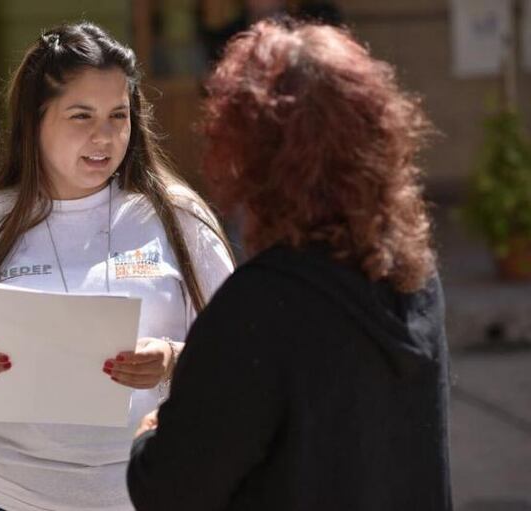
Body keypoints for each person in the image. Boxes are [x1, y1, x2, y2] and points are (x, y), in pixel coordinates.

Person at [0, 22, 234, 510]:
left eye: (118, 116)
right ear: (34, 121)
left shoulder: (178, 217)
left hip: (152, 487)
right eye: (81, 116)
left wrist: (171, 360)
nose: (104, 137)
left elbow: (238, 358)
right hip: (3, 494)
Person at [128, 20, 452, 511]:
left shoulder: (258, 309)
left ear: (248, 157)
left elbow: (167, 489)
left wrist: (149, 432)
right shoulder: (414, 276)